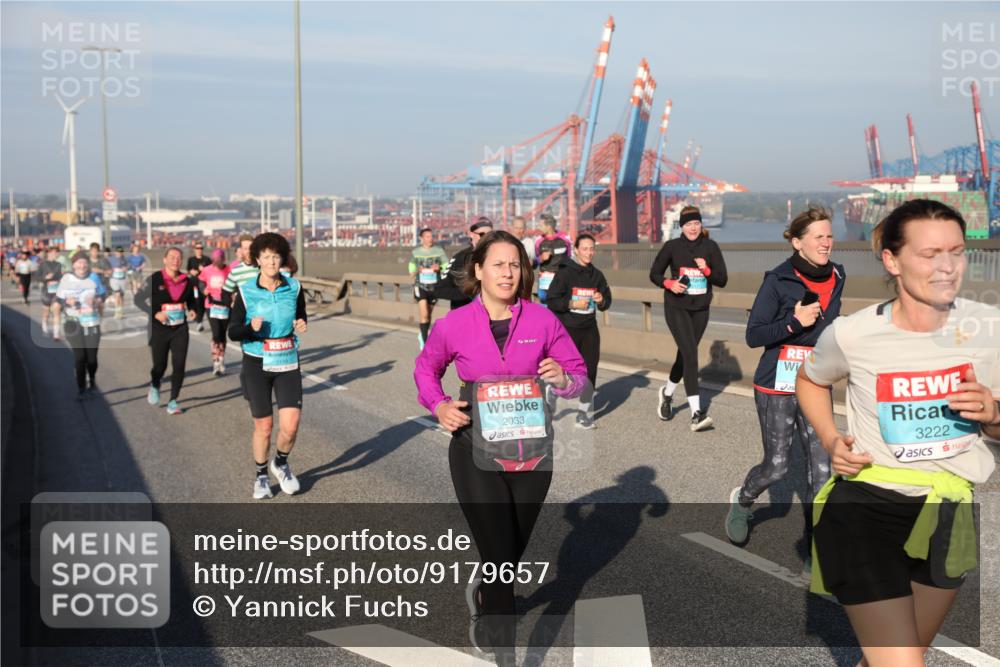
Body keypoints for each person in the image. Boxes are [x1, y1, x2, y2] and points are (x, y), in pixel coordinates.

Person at [798, 199, 999, 666]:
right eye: (929, 254)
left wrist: (991, 412)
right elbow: (810, 380)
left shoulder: (984, 328)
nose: (947, 267)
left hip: (950, 509)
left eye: (956, 251)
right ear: (892, 260)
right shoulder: (853, 334)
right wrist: (831, 440)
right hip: (867, 507)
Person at [414, 230, 587, 658]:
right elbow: (425, 369)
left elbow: (577, 373)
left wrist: (564, 380)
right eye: (498, 264)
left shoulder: (543, 320)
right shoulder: (454, 324)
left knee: (507, 558)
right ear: (479, 270)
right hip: (475, 449)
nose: (507, 272)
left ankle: (485, 597)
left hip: (533, 453)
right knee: (499, 557)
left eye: (514, 264)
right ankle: (506, 653)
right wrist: (438, 406)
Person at [726, 206, 844, 550]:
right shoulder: (777, 281)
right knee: (777, 466)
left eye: (829, 235)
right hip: (776, 381)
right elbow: (754, 335)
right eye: (818, 237)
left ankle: (815, 545)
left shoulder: (837, 275)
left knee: (822, 469)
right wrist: (794, 324)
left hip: (816, 378)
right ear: (797, 242)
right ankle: (743, 499)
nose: (826, 243)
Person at [228, 233, 307, 500]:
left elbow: (301, 315)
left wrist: (301, 323)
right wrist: (251, 327)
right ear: (257, 260)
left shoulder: (294, 288)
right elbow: (233, 332)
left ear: (282, 259)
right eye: (266, 257)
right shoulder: (246, 291)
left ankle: (280, 463)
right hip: (257, 362)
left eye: (276, 257)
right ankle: (261, 476)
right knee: (264, 426)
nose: (272, 262)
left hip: (286, 359)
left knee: (291, 425)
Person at [649, 205, 728, 431]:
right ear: (681, 226)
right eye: (688, 224)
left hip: (701, 309)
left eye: (696, 223)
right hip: (677, 307)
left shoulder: (710, 247)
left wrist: (707, 271)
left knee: (685, 356)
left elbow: (723, 279)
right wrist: (669, 283)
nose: (693, 228)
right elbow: (654, 273)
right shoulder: (672, 247)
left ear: (701, 225)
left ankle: (667, 393)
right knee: (691, 354)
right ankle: (696, 414)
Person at [543, 233, 612, 429]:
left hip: (589, 329)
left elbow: (606, 302)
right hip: (568, 329)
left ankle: (583, 413)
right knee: (567, 372)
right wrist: (572, 303)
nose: (589, 253)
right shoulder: (565, 272)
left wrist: (601, 300)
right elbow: (551, 300)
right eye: (585, 249)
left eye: (592, 249)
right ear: (576, 250)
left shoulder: (597, 275)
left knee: (590, 370)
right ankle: (553, 391)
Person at [134, 247, 198, 415]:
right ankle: (155, 384)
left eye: (178, 257)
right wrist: (154, 313)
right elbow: (138, 299)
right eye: (172, 257)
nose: (175, 260)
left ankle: (173, 401)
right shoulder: (155, 279)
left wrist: (192, 309)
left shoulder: (187, 281)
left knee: (179, 365)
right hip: (159, 329)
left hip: (180, 329)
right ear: (164, 260)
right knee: (159, 366)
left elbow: (192, 300)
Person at [55, 252, 107, 398]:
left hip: (91, 321)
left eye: (84, 262)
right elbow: (58, 300)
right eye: (79, 262)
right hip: (73, 322)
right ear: (73, 264)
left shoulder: (94, 277)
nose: (82, 265)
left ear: (88, 264)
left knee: (91, 358)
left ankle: (92, 380)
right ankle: (81, 388)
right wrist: (68, 302)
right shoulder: (66, 278)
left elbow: (103, 295)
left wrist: (96, 301)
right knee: (79, 358)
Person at [436, 217, 493, 311]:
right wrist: (468, 292)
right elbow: (440, 289)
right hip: (463, 315)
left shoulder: (499, 256)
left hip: (491, 317)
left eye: (490, 234)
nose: (487, 238)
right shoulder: (459, 258)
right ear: (471, 234)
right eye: (482, 234)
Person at [409, 227, 449, 349]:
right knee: (424, 313)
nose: (430, 239)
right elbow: (411, 269)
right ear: (421, 238)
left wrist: (440, 268)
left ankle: (422, 333)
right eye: (427, 236)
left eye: (431, 236)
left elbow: (446, 266)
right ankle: (425, 344)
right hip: (420, 286)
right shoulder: (416, 253)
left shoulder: (439, 251)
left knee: (428, 314)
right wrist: (417, 270)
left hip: (434, 286)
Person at [534, 213, 573, 305]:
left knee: (559, 302)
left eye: (541, 225)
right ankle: (545, 319)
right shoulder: (538, 241)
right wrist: (541, 258)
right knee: (543, 299)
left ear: (549, 226)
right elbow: (536, 259)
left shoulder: (565, 240)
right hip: (545, 278)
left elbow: (570, 257)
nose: (538, 227)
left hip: (560, 277)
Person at [222, 234, 259, 305]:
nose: (248, 251)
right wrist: (232, 304)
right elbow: (225, 293)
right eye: (245, 248)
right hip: (244, 313)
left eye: (250, 248)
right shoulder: (235, 271)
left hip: (262, 312)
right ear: (241, 250)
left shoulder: (262, 267)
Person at [39, 246, 64, 337]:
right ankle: (44, 326)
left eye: (57, 253)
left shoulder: (59, 264)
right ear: (49, 253)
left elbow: (60, 277)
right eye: (54, 253)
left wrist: (61, 278)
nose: (56, 255)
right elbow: (36, 277)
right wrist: (45, 278)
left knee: (56, 311)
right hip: (46, 291)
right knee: (46, 312)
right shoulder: (43, 264)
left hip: (56, 292)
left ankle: (56, 334)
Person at [187, 242, 212, 331]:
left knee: (204, 303)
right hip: (194, 285)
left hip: (204, 286)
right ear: (194, 249)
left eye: (201, 248)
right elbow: (188, 270)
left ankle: (200, 321)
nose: (199, 250)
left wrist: (203, 270)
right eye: (197, 248)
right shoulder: (191, 260)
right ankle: (198, 320)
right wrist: (191, 272)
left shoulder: (207, 259)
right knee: (197, 302)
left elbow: (211, 271)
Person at [107, 246, 129, 318]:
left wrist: (125, 268)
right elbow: (106, 267)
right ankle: (117, 312)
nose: (119, 253)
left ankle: (121, 312)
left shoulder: (125, 259)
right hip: (114, 279)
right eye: (118, 252)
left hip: (122, 279)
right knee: (117, 295)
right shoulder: (111, 259)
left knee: (121, 297)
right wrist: (111, 270)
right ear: (115, 252)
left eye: (121, 252)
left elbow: (128, 267)